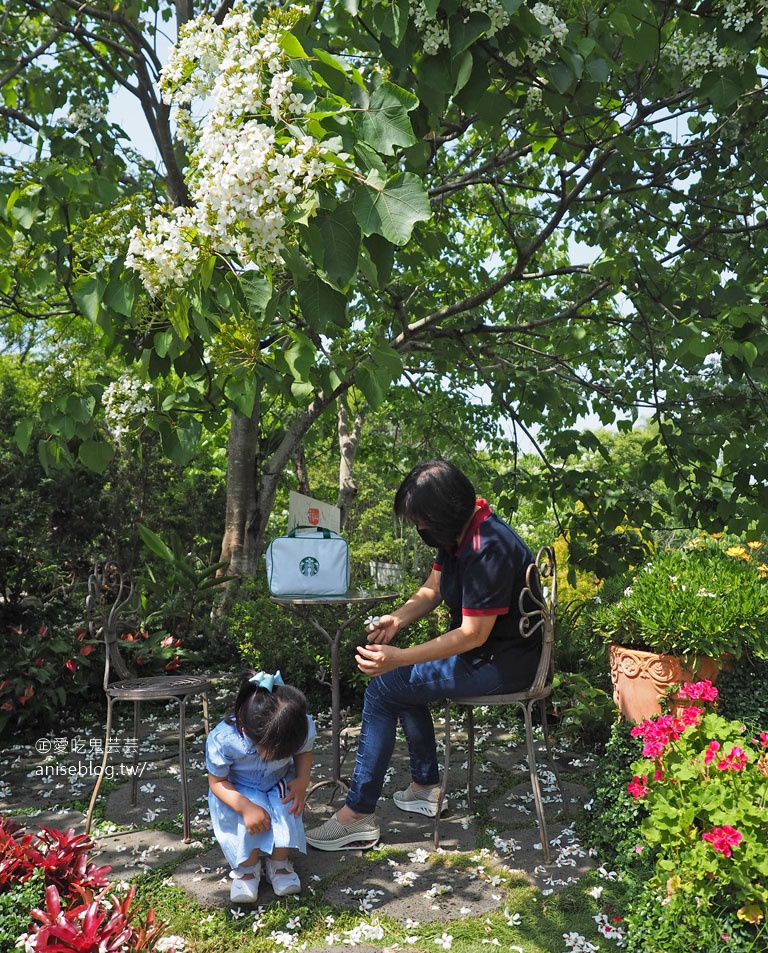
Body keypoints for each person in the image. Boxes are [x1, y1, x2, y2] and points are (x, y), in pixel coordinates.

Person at [305, 459, 540, 851]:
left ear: (444, 513)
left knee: (384, 687)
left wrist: (399, 657)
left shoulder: (487, 546)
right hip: (488, 656)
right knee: (398, 685)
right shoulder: (462, 534)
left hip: (502, 664)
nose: (420, 530)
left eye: (421, 521)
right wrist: (396, 620)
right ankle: (425, 788)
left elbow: (472, 635)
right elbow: (432, 588)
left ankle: (358, 815)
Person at [206, 670, 315, 902]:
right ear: (246, 730)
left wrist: (302, 781)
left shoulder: (296, 725)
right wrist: (245, 807)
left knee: (288, 808)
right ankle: (247, 868)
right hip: (237, 789)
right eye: (275, 751)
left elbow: (304, 751)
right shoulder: (224, 739)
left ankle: (279, 863)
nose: (281, 755)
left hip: (277, 782)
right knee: (248, 823)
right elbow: (216, 781)